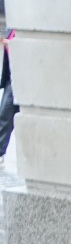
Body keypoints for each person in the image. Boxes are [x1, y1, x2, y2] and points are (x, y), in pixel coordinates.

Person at [0, 29, 16, 159]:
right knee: (4, 116)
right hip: (11, 79)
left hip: (22, 80)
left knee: (6, 115)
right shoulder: (12, 29)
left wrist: (8, 43)